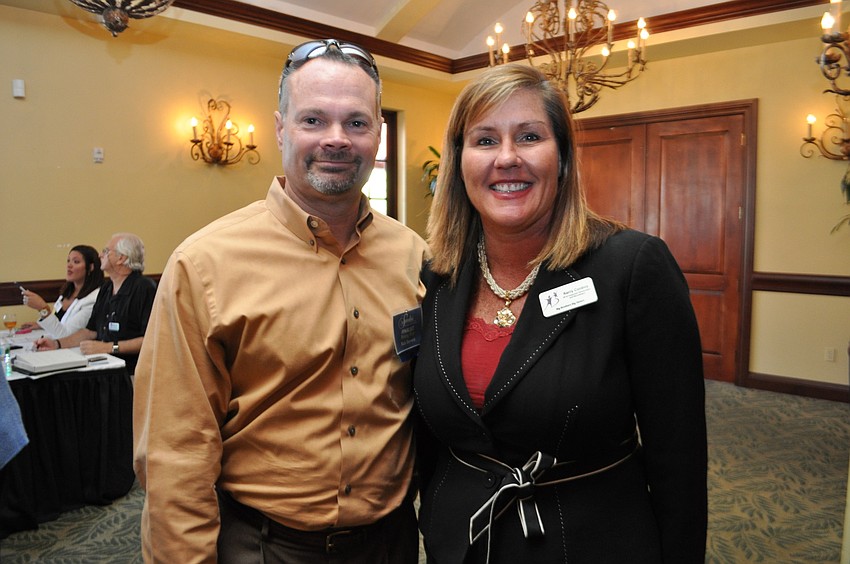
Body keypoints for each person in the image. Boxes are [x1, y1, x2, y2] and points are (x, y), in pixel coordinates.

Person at [133, 39, 428, 563]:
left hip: (392, 542)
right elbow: (175, 453)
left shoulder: (414, 256)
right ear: (280, 128)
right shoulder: (204, 264)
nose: (336, 138)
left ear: (378, 135)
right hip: (267, 546)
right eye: (313, 120)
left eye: (356, 123)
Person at [413, 63, 707, 564]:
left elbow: (678, 457)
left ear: (563, 157)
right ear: (459, 162)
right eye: (485, 140)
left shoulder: (632, 266)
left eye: (529, 136)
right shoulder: (437, 275)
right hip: (462, 543)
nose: (507, 158)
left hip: (591, 542)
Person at [35, 233, 156, 374]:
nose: (100, 255)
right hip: (103, 366)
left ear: (121, 258)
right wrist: (57, 344)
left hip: (131, 372)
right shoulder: (106, 288)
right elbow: (90, 331)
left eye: (106, 251)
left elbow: (151, 340)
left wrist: (109, 347)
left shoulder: (144, 288)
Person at [20, 245, 104, 339]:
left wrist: (42, 308)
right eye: (68, 261)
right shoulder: (67, 292)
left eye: (76, 262)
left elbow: (65, 336)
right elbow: (60, 322)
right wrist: (40, 325)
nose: (69, 265)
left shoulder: (93, 299)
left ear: (91, 267)